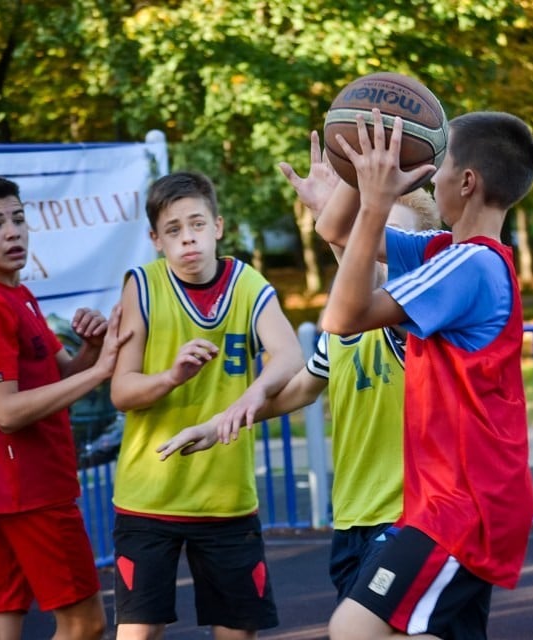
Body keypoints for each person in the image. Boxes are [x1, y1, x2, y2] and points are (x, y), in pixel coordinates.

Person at [157, 131, 441, 602]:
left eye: (387, 238)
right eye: (369, 230)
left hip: (409, 514)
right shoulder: (344, 328)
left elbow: (366, 276)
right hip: (352, 516)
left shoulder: (418, 319)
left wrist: (332, 218)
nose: (372, 244)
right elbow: (303, 389)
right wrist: (219, 423)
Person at [312, 110, 533, 639]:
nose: (430, 175)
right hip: (450, 500)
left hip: (464, 507)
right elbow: (333, 229)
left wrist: (377, 201)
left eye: (440, 164)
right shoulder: (448, 253)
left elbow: (342, 318)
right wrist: (358, 166)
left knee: (353, 627)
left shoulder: (468, 267)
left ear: (467, 182)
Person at [108, 171, 303, 640]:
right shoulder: (143, 285)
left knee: (237, 632)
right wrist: (172, 376)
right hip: (148, 495)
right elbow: (122, 391)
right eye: (173, 230)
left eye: (196, 224)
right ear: (156, 240)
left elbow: (291, 353)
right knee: (138, 632)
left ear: (217, 225)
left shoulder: (247, 283)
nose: (187, 237)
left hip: (226, 499)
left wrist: (255, 393)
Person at [0, 176, 130, 640]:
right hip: (27, 490)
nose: (13, 231)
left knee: (2, 617)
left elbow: (63, 378)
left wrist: (91, 351)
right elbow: (6, 412)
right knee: (84, 623)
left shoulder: (17, 296)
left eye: (18, 218)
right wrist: (101, 370)